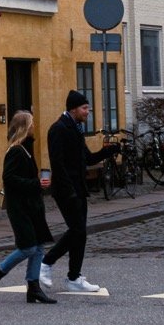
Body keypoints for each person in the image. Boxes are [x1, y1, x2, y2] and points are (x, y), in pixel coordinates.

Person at [40, 89, 116, 293]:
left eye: (88, 108)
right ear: (73, 109)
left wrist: (109, 151)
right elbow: (57, 163)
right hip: (66, 191)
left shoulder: (75, 128)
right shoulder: (58, 129)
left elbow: (88, 159)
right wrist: (69, 191)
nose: (88, 112)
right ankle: (46, 263)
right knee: (77, 230)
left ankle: (74, 277)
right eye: (85, 108)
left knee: (80, 234)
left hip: (78, 190)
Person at [0, 110, 56, 304]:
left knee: (38, 246)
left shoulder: (26, 149)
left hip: (31, 206)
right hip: (21, 207)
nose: (34, 127)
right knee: (28, 247)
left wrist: (38, 184)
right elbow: (9, 178)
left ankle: (33, 288)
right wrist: (36, 184)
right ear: (25, 127)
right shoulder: (16, 151)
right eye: (31, 124)